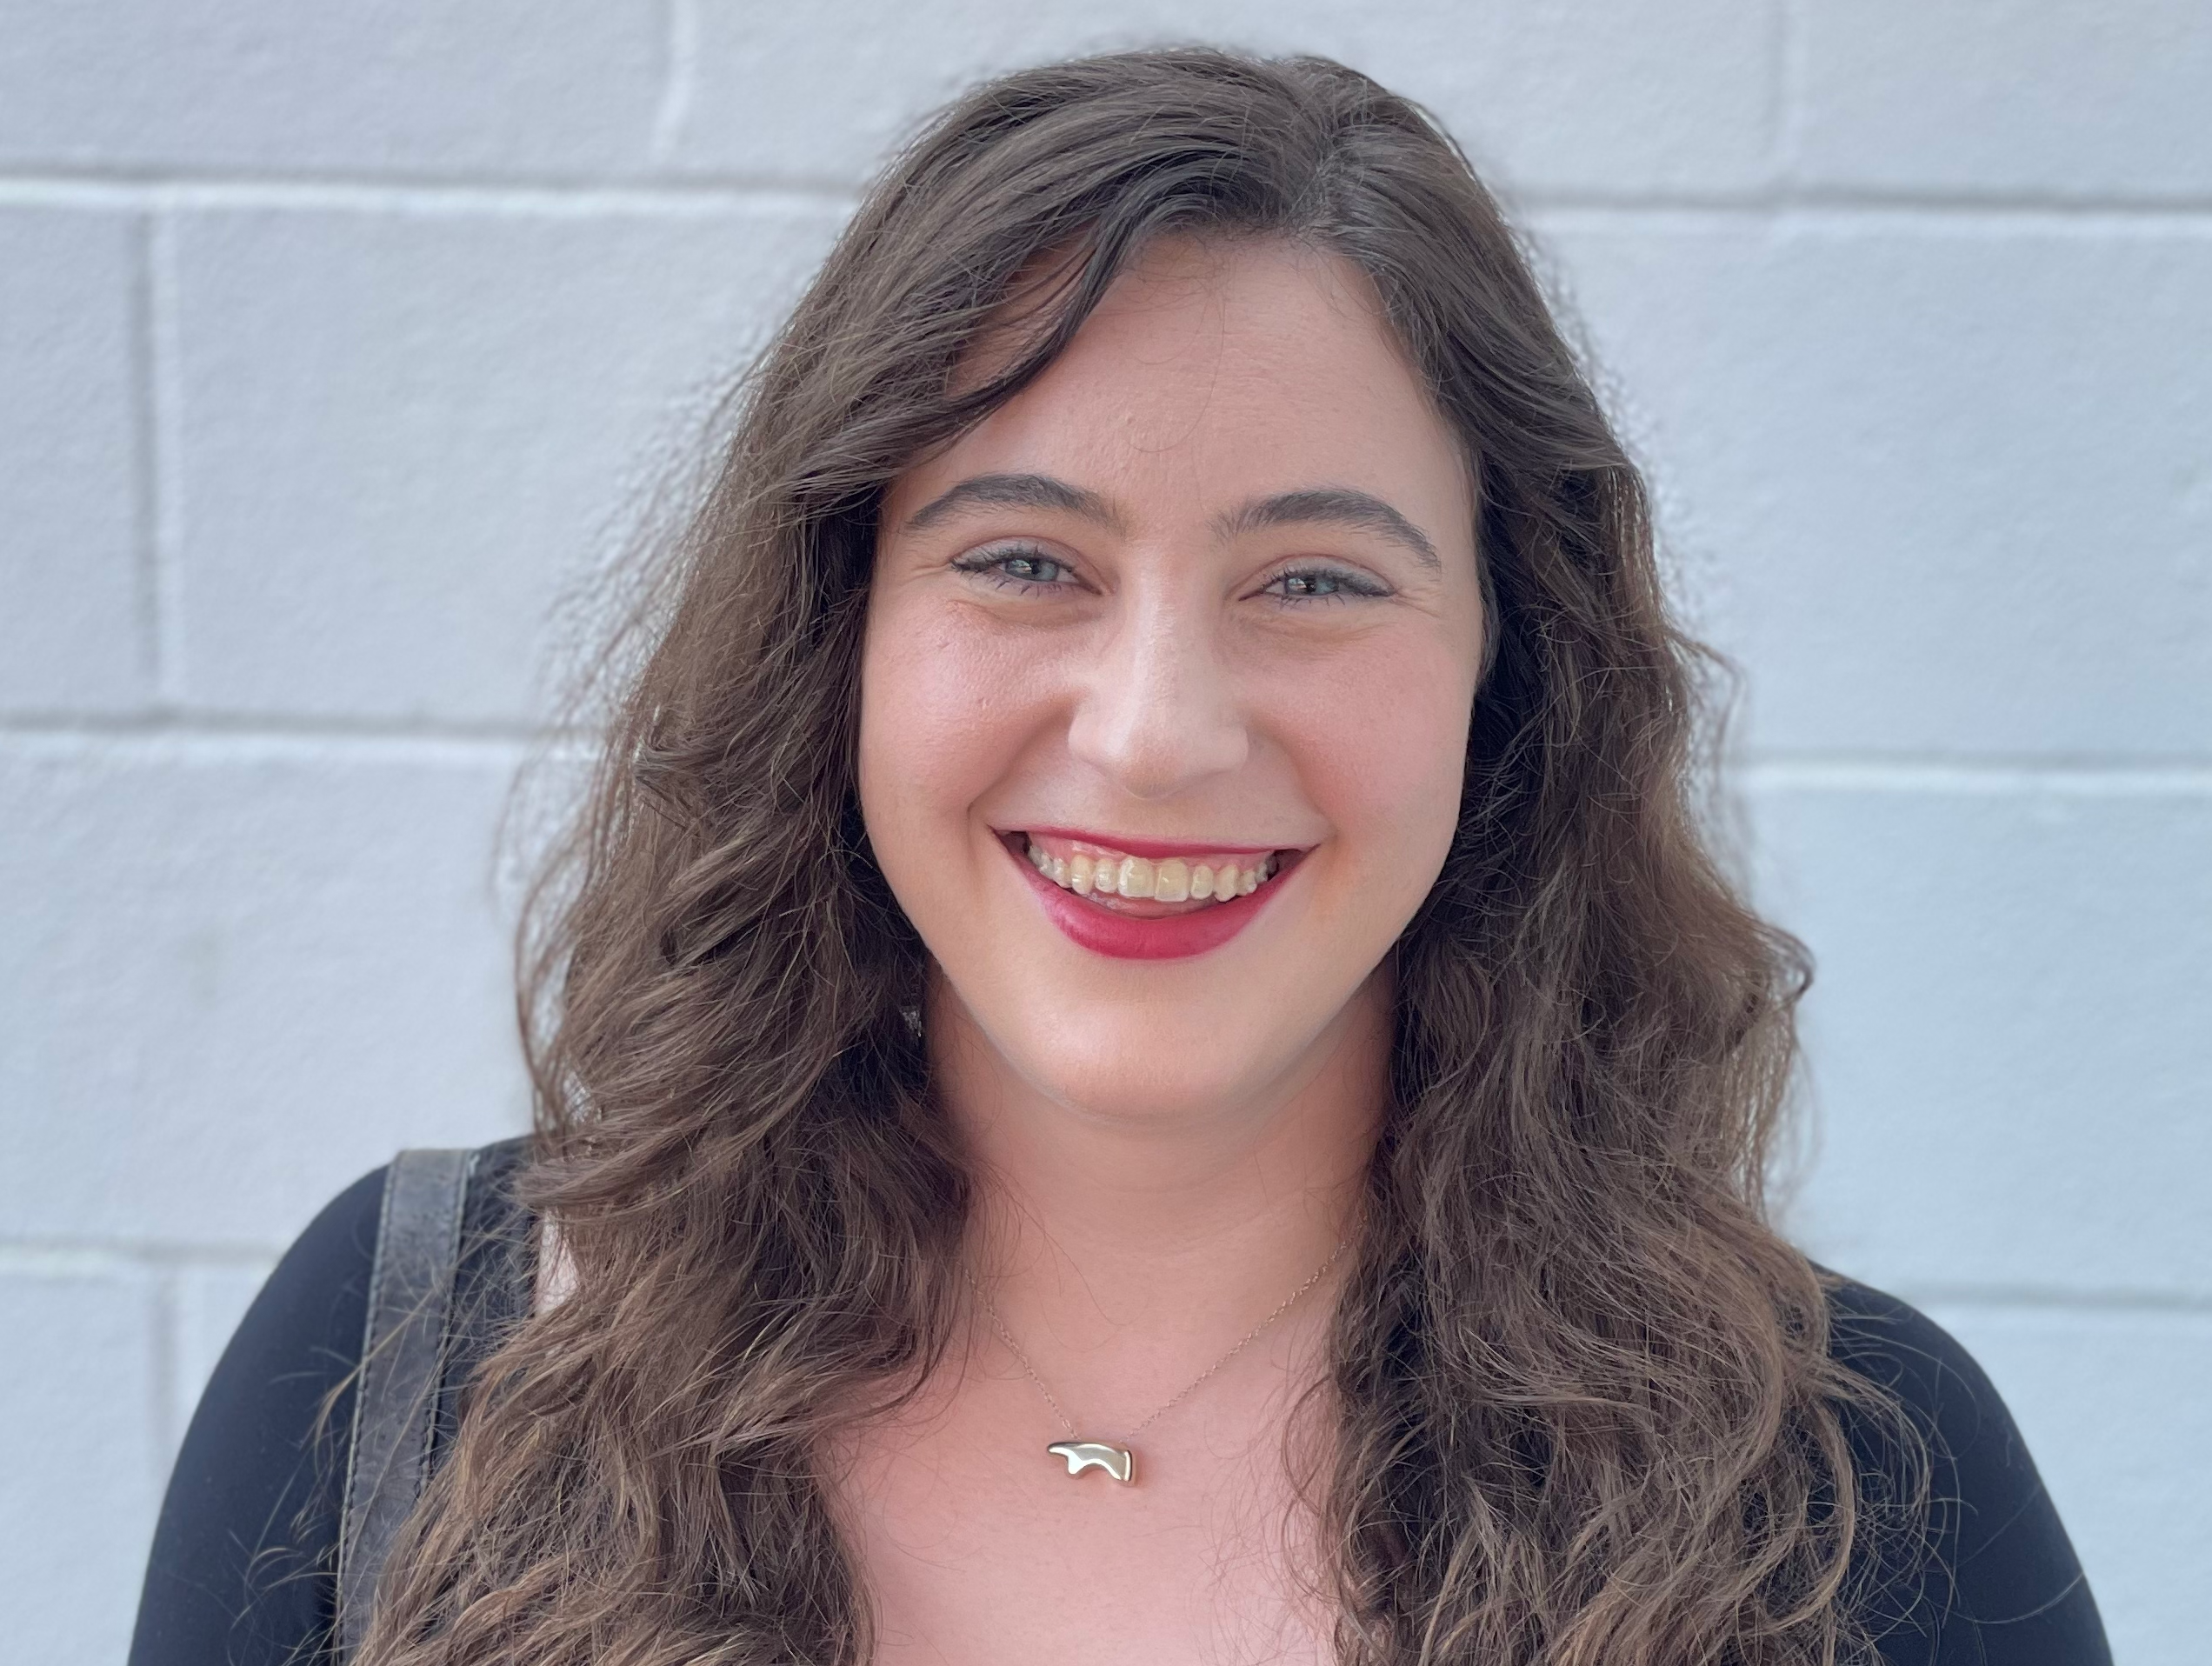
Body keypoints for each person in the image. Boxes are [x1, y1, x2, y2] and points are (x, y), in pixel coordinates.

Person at [129, 49, 2109, 1666]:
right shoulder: (406, 1359)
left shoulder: (1853, 1490)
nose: (1157, 730)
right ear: (846, 634)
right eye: (1022, 561)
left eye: (1317, 578)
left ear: (1513, 675)